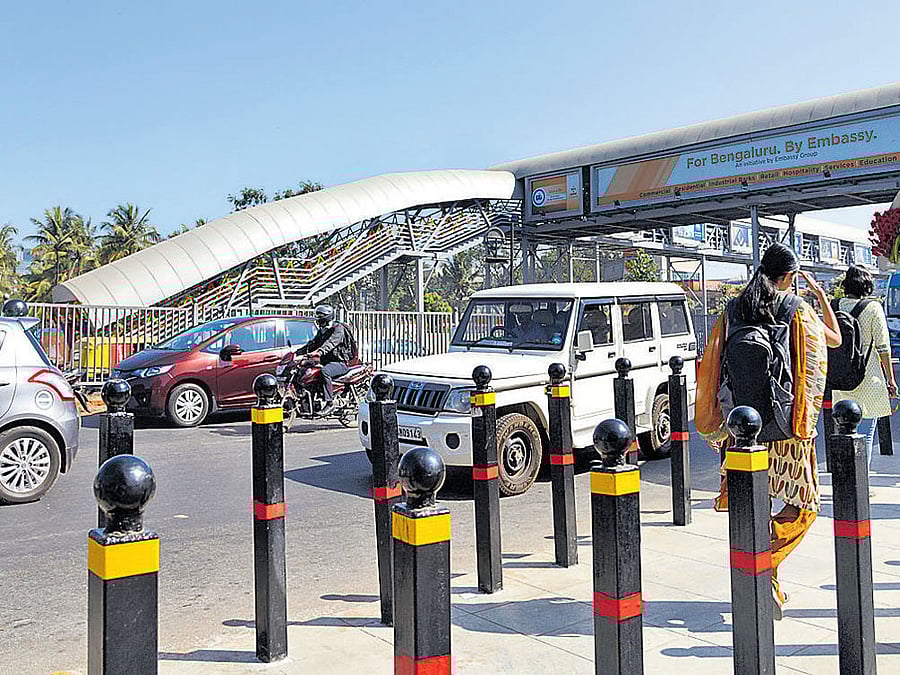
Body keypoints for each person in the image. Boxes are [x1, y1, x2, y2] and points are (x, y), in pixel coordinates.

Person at [696, 243, 841, 619]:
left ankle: (765, 578)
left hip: (742, 426)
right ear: (790, 276)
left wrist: (714, 423)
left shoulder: (732, 309)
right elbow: (829, 347)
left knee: (752, 507)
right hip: (787, 428)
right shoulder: (796, 308)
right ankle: (765, 565)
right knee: (805, 507)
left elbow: (712, 362)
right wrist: (820, 297)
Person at [832, 265, 899, 467]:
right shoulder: (873, 308)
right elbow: (883, 348)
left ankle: (846, 477)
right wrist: (891, 380)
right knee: (865, 434)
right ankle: (862, 479)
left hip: (840, 380)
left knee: (844, 432)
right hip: (868, 378)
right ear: (867, 286)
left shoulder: (834, 306)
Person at [295, 305, 354, 416]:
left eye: (320, 317)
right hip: (325, 361)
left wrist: (319, 352)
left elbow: (330, 343)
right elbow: (313, 344)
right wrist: (297, 353)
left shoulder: (338, 329)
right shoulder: (322, 331)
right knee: (304, 368)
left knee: (324, 371)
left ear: (327, 317)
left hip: (340, 363)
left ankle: (329, 402)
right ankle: (307, 399)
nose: (318, 319)